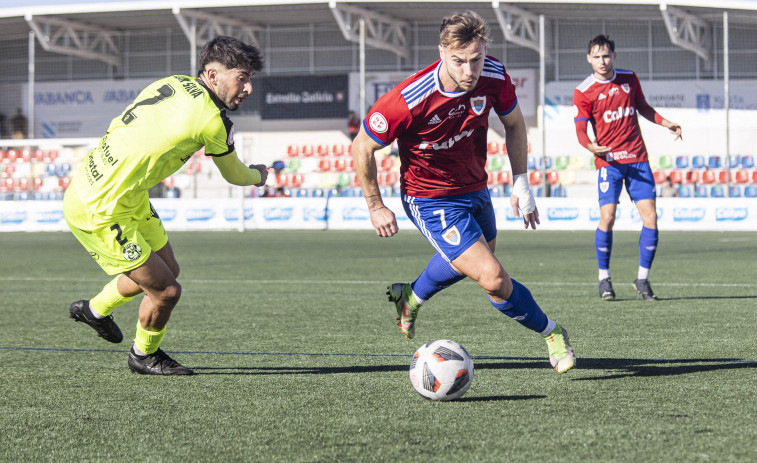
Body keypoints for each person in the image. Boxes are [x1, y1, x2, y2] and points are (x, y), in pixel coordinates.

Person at [352, 11, 575, 374]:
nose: (470, 71)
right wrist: (375, 204)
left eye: (476, 59)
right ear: (441, 52)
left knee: (475, 268)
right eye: (459, 61)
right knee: (493, 278)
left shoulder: (494, 75)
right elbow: (362, 147)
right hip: (430, 198)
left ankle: (410, 296)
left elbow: (515, 125)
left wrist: (521, 184)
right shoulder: (406, 99)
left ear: (485, 50)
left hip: (475, 187)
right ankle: (553, 333)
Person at [63, 36, 268, 375]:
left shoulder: (173, 81)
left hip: (121, 191)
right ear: (213, 75)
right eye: (242, 77)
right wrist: (258, 176)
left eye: (249, 79)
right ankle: (143, 356)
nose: (247, 88)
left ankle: (95, 310)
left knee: (167, 269)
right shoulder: (212, 121)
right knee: (167, 292)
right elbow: (234, 174)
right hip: (101, 207)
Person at [573, 34, 682, 301]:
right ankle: (604, 279)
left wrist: (666, 122)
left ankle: (642, 279)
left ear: (614, 56)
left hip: (637, 159)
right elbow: (580, 128)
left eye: (606, 55)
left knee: (651, 218)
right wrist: (590, 146)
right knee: (608, 217)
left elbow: (643, 107)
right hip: (609, 162)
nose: (602, 61)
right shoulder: (584, 91)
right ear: (589, 58)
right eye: (596, 56)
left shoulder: (629, 79)